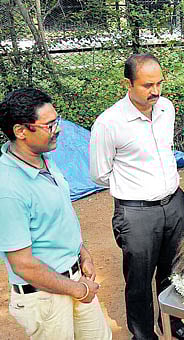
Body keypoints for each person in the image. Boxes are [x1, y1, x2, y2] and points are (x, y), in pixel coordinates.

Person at [89, 54, 184, 340]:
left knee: (174, 270)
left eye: (159, 83)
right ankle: (143, 334)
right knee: (138, 280)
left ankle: (175, 325)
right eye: (147, 85)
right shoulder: (109, 123)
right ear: (128, 84)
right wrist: (137, 187)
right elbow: (100, 173)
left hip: (174, 204)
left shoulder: (166, 108)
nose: (155, 91)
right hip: (136, 213)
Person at [0, 88, 111, 340]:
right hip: (44, 298)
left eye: (56, 121)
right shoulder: (7, 188)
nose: (58, 129)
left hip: (74, 281)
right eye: (49, 125)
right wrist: (79, 290)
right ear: (20, 131)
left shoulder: (44, 160)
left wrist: (83, 253)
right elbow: (23, 265)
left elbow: (59, 216)